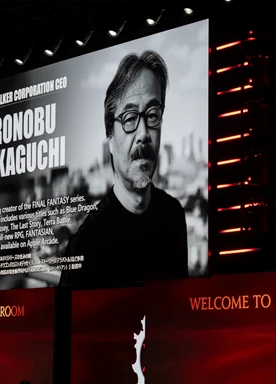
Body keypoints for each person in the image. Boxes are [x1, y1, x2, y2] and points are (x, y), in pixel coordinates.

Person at [60, 50, 188, 287]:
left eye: (152, 115)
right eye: (129, 119)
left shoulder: (173, 215)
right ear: (110, 136)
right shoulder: (87, 243)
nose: (143, 134)